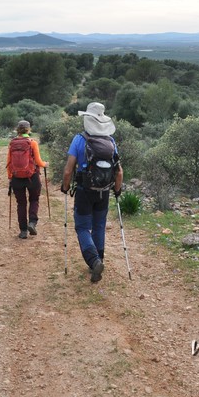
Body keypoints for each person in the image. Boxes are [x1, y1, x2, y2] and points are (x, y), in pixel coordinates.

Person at [61, 102, 123, 283]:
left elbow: (68, 170)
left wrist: (65, 187)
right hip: (104, 192)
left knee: (82, 227)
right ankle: (99, 258)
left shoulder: (79, 140)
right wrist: (117, 190)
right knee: (99, 226)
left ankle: (94, 261)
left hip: (84, 191)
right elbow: (119, 171)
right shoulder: (111, 142)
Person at [7, 120, 48, 239]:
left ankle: (23, 231)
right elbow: (39, 162)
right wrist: (45, 164)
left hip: (16, 178)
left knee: (21, 203)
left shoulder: (12, 143)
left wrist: (10, 177)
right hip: (32, 177)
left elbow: (9, 162)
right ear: (28, 129)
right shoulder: (32, 143)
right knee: (34, 200)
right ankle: (32, 223)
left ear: (17, 130)